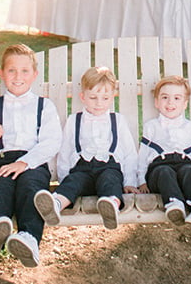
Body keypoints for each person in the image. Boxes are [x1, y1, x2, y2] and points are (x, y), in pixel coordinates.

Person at [0, 43, 62, 267]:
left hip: (32, 162)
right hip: (0, 161)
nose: (17, 76)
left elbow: (52, 141)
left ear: (34, 75)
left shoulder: (44, 106)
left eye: (24, 71)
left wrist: (24, 163)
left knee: (31, 189)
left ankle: (29, 239)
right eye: (11, 70)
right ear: (2, 73)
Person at [34, 66, 138, 230]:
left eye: (105, 98)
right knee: (73, 183)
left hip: (109, 166)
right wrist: (64, 178)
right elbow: (65, 152)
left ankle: (111, 205)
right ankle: (55, 205)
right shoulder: (74, 120)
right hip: (81, 169)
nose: (99, 103)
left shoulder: (117, 120)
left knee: (110, 181)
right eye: (93, 97)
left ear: (112, 98)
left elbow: (129, 153)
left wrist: (130, 181)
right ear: (83, 97)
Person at [137, 75, 191, 224]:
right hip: (158, 167)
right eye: (165, 97)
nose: (170, 102)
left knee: (190, 172)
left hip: (184, 163)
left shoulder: (190, 128)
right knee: (165, 172)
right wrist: (141, 180)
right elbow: (142, 157)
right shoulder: (152, 127)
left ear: (185, 104)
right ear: (157, 102)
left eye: (177, 98)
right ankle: (174, 205)